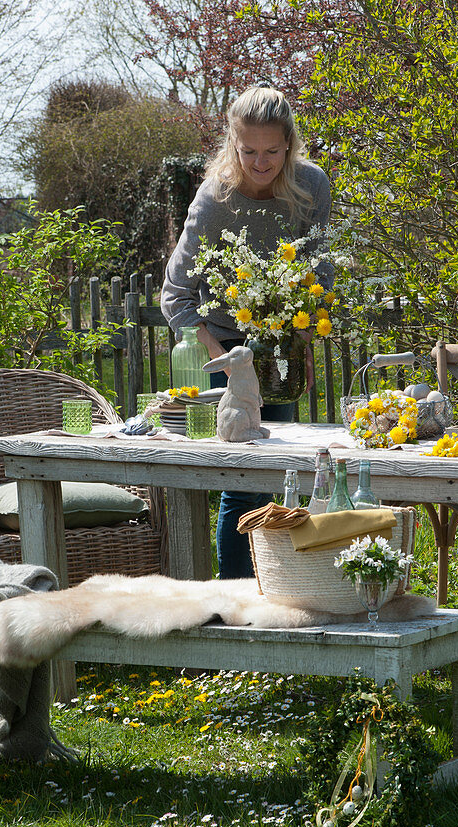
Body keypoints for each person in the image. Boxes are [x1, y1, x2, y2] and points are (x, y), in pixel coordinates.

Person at [161, 83, 333, 578]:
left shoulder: (311, 186)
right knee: (242, 476)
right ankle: (233, 596)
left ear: (290, 144)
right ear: (232, 145)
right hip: (228, 346)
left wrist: (298, 345)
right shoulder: (216, 197)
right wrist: (223, 356)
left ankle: (278, 588)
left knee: (282, 471)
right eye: (249, 151)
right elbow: (176, 293)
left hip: (283, 339)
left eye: (272, 151)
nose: (261, 162)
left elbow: (319, 273)